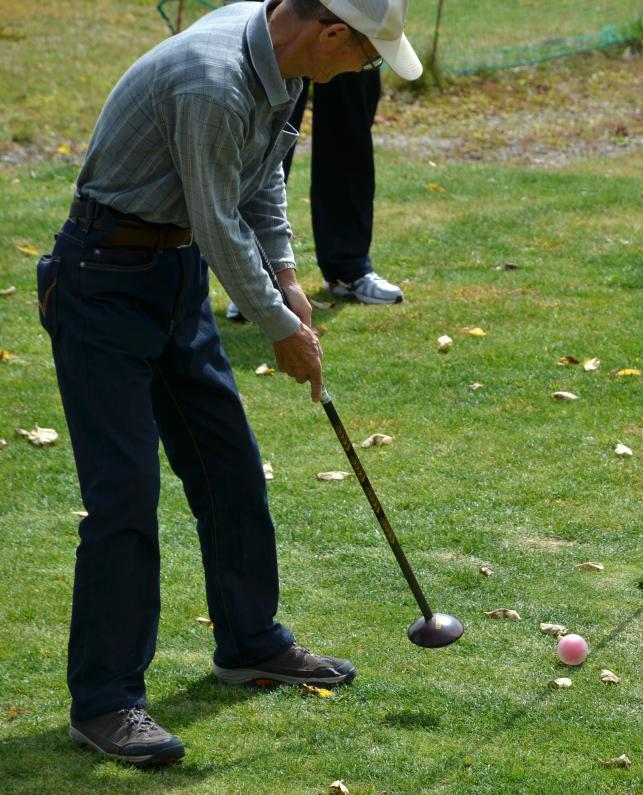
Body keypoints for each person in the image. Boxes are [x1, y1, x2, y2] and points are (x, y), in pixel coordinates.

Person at [34, 0, 421, 768]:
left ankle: (249, 642)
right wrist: (278, 327)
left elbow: (261, 180)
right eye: (370, 58)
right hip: (103, 282)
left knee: (231, 469)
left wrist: (283, 273)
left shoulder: (284, 61)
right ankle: (106, 701)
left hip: (172, 277)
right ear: (332, 32)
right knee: (124, 497)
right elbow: (216, 219)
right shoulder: (213, 79)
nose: (365, 72)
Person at [226, 4, 402, 319]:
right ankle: (257, 280)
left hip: (359, 11)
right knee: (266, 134)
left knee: (350, 133)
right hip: (295, 12)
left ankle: (347, 267)